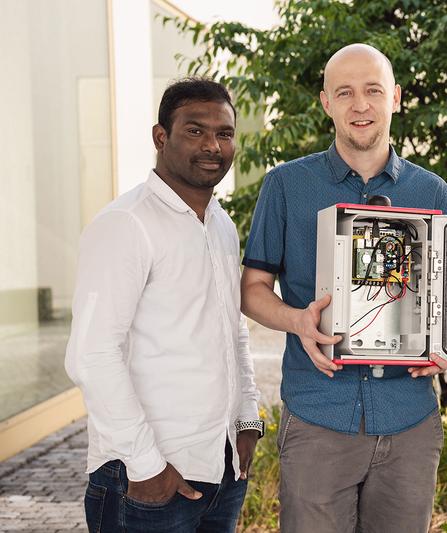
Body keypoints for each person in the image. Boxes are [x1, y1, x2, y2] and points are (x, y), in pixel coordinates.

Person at [240, 43, 447, 533]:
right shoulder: (286, 185)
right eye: (345, 93)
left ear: (395, 98)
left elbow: (443, 296)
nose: (361, 105)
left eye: (373, 91)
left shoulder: (432, 192)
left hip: (410, 421)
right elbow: (252, 288)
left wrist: (446, 346)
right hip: (319, 414)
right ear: (325, 103)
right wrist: (297, 320)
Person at [65, 78, 262, 533]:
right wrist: (146, 465)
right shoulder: (125, 224)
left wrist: (246, 417)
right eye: (195, 131)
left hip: (221, 470)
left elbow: (231, 328)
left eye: (225, 134)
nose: (213, 145)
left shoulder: (221, 225)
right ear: (161, 137)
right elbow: (91, 355)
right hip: (147, 481)